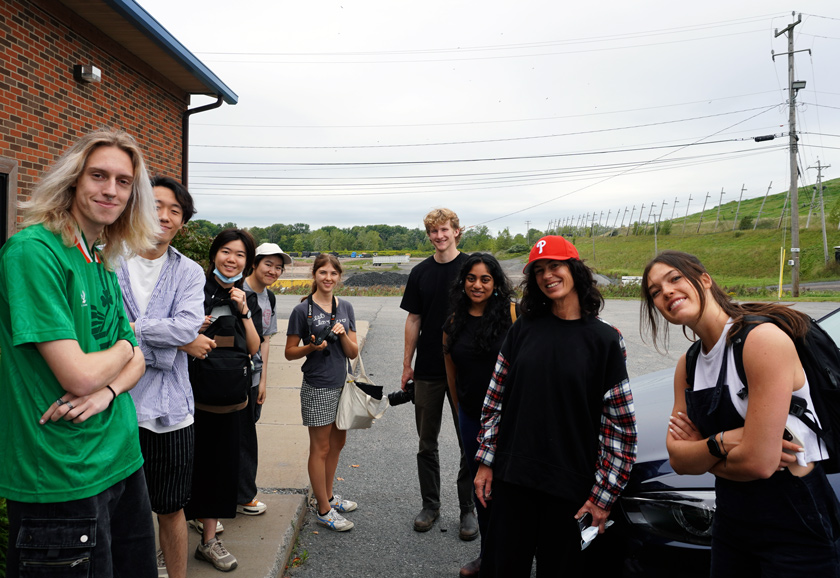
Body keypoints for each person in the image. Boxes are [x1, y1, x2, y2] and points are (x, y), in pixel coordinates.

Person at [0, 128, 161, 577]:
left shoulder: (100, 255)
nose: (111, 190)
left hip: (122, 458)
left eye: (124, 182)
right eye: (98, 176)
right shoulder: (33, 252)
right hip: (60, 473)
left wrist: (108, 391)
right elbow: (78, 374)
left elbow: (137, 364)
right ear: (73, 180)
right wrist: (126, 347)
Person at [641, 250, 840, 577]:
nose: (666, 292)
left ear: (704, 280)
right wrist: (725, 441)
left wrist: (705, 451)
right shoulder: (687, 366)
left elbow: (759, 463)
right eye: (655, 292)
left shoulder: (761, 340)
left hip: (795, 521)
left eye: (674, 278)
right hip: (732, 521)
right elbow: (678, 459)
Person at [474, 235, 637, 577]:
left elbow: (619, 427)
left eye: (556, 266)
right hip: (513, 478)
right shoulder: (523, 330)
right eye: (540, 270)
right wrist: (487, 462)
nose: (548, 276)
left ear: (575, 270)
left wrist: (603, 496)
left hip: (571, 489)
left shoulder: (606, 339)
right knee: (501, 569)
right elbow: (495, 400)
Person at [116, 176, 209, 578]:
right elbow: (98, 329)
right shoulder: (106, 260)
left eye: (175, 210)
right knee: (118, 511)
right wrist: (170, 345)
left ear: (182, 222)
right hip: (116, 406)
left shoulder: (189, 272)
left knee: (171, 508)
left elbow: (187, 327)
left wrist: (133, 331)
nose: (165, 216)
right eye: (156, 205)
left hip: (171, 412)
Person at [185, 228, 261, 572]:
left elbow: (255, 347)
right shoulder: (192, 286)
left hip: (230, 396)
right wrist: (193, 329)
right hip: (188, 395)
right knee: (180, 467)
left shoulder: (248, 296)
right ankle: (167, 539)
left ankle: (209, 540)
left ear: (247, 262)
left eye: (240, 255)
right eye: (227, 252)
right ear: (214, 254)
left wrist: (243, 311)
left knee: (219, 467)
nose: (232, 259)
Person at [400, 208, 477, 539]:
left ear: (457, 231)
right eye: (433, 231)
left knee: (469, 442)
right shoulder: (420, 272)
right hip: (429, 369)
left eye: (444, 230)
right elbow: (413, 319)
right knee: (426, 442)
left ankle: (469, 510)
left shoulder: (473, 269)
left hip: (467, 369)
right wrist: (407, 364)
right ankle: (430, 505)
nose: (439, 236)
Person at [443, 253, 516, 577]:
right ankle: (488, 556)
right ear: (463, 281)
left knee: (513, 489)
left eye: (485, 279)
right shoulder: (453, 323)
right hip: (472, 419)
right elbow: (451, 375)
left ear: (496, 283)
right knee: (482, 489)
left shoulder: (513, 316)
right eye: (471, 278)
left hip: (513, 419)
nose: (477, 284)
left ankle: (516, 554)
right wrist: (462, 415)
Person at [285, 254, 359, 532]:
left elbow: (353, 351)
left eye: (333, 273)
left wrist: (341, 335)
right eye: (323, 272)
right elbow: (290, 353)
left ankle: (328, 495)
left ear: (339, 277)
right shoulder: (302, 310)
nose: (328, 278)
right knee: (321, 447)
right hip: (317, 385)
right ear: (314, 275)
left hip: (343, 384)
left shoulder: (346, 306)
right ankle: (323, 509)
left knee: (337, 445)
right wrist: (311, 348)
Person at [237, 242, 291, 516]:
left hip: (253, 377)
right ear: (255, 263)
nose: (273, 270)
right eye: (268, 264)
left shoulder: (268, 298)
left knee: (247, 436)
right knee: (230, 438)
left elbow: (266, 341)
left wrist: (264, 381)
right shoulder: (236, 291)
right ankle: (238, 495)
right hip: (231, 375)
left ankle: (241, 494)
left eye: (278, 267)